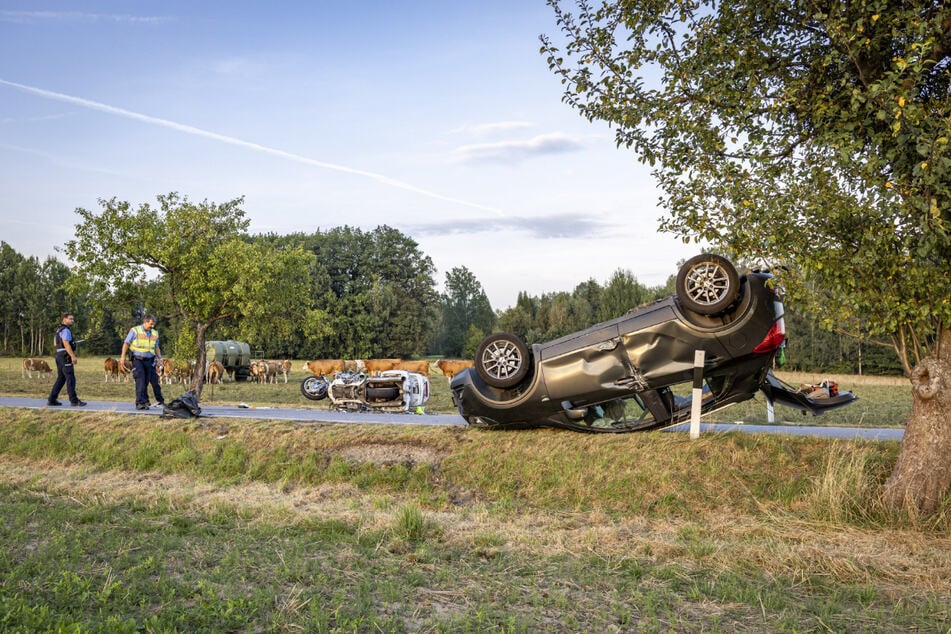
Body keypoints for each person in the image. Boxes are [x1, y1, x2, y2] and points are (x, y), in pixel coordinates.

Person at [121, 314, 165, 410]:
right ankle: (139, 403)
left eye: (153, 324)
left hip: (150, 361)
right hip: (138, 360)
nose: (152, 326)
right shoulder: (135, 330)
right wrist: (123, 357)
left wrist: (160, 358)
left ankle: (145, 402)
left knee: (145, 382)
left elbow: (156, 347)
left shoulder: (154, 333)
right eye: (151, 324)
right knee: (140, 380)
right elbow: (126, 343)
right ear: (145, 322)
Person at [47, 313, 86, 406]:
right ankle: (74, 400)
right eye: (70, 319)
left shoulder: (58, 330)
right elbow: (66, 344)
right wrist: (72, 356)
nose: (72, 320)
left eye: (73, 319)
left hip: (58, 355)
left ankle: (52, 399)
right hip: (65, 356)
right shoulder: (66, 330)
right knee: (70, 378)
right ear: (64, 319)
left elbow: (55, 344)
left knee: (61, 378)